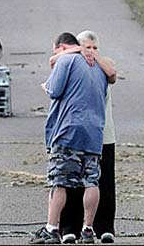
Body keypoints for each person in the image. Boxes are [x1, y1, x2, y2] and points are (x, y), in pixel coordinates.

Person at [30, 32, 108, 244]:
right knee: (91, 181)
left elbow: (54, 90)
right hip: (94, 131)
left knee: (59, 181)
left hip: (68, 130)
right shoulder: (99, 66)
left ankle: (52, 228)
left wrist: (49, 79)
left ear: (62, 47)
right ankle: (88, 230)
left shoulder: (66, 60)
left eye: (55, 51)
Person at [51, 31, 117, 244]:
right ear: (78, 48)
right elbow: (55, 61)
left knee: (99, 182)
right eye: (87, 47)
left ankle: (102, 227)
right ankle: (72, 228)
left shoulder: (102, 65)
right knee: (76, 183)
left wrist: (90, 54)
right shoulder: (74, 62)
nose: (91, 52)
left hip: (100, 133)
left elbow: (113, 73)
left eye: (95, 48)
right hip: (89, 132)